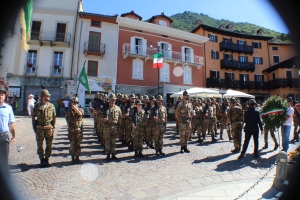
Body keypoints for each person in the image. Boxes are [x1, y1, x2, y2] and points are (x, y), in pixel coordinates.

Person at [32, 88, 56, 167]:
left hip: (49, 127)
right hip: (40, 127)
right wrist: (34, 127)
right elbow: (34, 117)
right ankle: (42, 159)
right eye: (46, 96)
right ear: (42, 97)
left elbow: (54, 117)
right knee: (40, 144)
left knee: (49, 144)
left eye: (48, 96)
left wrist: (53, 127)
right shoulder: (37, 106)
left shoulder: (51, 106)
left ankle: (47, 158)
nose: (48, 97)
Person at [0, 85, 16, 172]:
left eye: (2, 94)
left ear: (5, 96)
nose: (0, 96)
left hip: (3, 137)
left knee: (4, 161)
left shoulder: (8, 108)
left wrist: (14, 136)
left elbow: (11, 124)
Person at [102, 93, 122, 161]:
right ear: (109, 100)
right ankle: (108, 154)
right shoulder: (105, 108)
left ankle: (113, 154)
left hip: (115, 127)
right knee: (107, 141)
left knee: (113, 141)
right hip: (107, 126)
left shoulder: (118, 108)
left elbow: (120, 118)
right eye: (111, 99)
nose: (113, 101)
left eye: (114, 100)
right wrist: (103, 119)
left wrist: (120, 126)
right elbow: (101, 117)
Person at [65, 97, 83, 164]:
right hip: (71, 131)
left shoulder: (80, 110)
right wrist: (68, 122)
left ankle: (77, 157)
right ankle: (73, 157)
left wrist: (75, 108)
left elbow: (80, 114)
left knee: (78, 144)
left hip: (78, 130)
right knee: (72, 144)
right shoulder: (69, 112)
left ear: (77, 104)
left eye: (75, 103)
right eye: (73, 103)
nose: (74, 104)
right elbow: (67, 118)